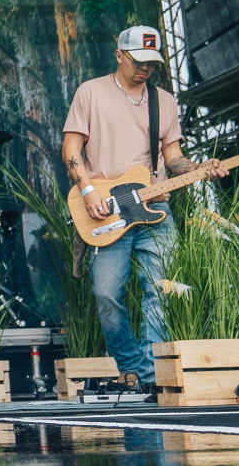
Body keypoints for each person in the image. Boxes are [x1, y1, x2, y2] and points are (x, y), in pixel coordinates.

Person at [62, 26, 226, 397]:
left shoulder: (163, 101)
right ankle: (132, 370)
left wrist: (200, 167)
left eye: (151, 63)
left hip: (155, 209)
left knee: (161, 292)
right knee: (107, 295)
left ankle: (151, 378)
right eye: (138, 61)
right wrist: (87, 191)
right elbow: (71, 149)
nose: (144, 69)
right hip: (107, 211)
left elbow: (174, 158)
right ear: (119, 55)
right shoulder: (91, 92)